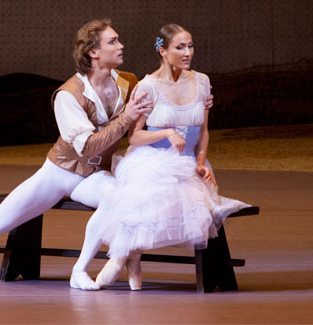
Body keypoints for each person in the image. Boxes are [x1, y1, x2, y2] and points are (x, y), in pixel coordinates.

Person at [0, 19, 154, 291]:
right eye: (113, 41)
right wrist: (126, 118)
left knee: (115, 196)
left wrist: (192, 103)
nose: (121, 45)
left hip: (95, 175)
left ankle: (80, 270)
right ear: (93, 52)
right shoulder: (69, 95)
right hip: (60, 172)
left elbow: (156, 95)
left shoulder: (128, 82)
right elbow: (87, 147)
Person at [76, 23, 249, 290]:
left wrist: (201, 162)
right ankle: (123, 256)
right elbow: (134, 137)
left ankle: (131, 256)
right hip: (151, 159)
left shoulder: (202, 81)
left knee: (191, 197)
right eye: (180, 47)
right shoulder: (148, 86)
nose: (187, 52)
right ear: (163, 51)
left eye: (190, 46)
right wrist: (166, 132)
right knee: (153, 190)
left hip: (188, 161)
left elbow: (204, 131)